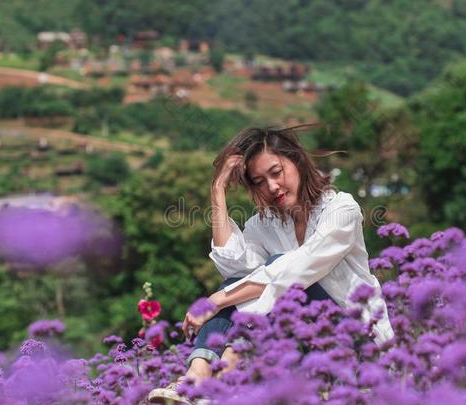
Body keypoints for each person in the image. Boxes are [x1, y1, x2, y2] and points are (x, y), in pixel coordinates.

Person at [148, 126, 393, 403]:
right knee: (243, 281)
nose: (272, 187)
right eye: (259, 181)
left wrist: (215, 301)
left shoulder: (341, 210)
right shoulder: (265, 225)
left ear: (297, 161)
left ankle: (215, 385)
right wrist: (217, 190)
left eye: (276, 172)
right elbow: (233, 267)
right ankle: (198, 374)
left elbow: (296, 271)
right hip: (306, 349)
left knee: (278, 275)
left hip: (360, 347)